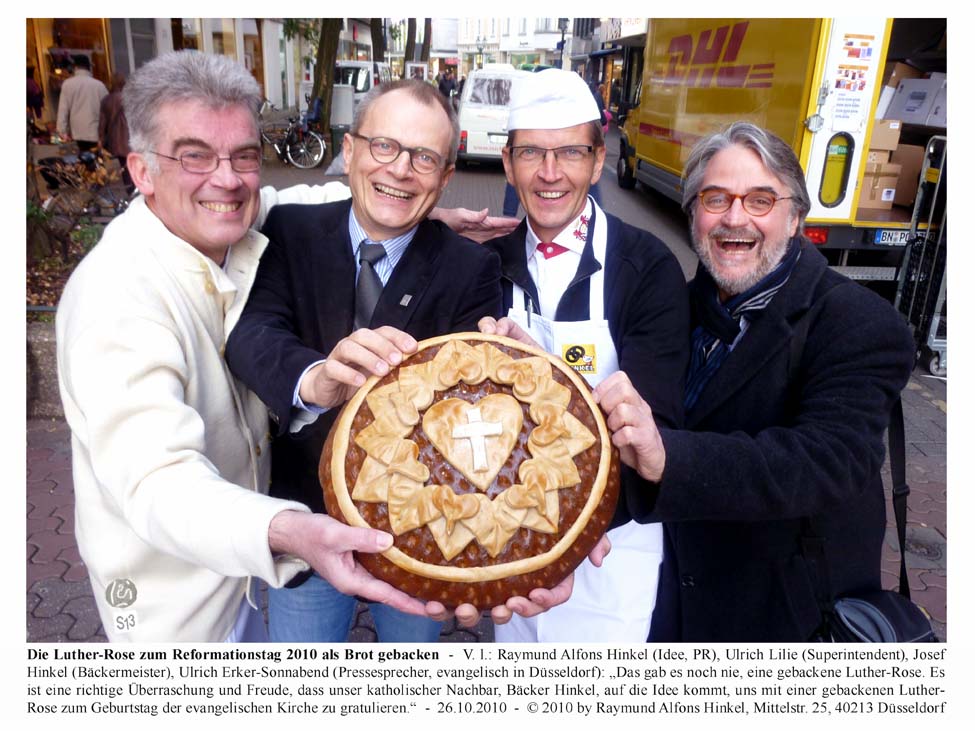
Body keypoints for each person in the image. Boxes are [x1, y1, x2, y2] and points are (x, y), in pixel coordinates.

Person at [55, 51, 463, 643]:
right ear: (141, 170)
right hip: (175, 605)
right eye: (194, 155)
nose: (227, 179)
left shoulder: (230, 225)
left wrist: (419, 210)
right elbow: (158, 482)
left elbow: (314, 204)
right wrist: (290, 529)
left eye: (244, 155)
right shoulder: (116, 299)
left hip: (247, 569)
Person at [225, 79, 581, 642]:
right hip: (307, 517)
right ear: (350, 152)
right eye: (384, 146)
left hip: (417, 539)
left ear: (445, 176)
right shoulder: (289, 232)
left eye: (424, 158)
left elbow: (479, 408)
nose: (399, 170)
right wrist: (317, 377)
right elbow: (253, 334)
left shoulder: (470, 269)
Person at [593, 121, 915, 641]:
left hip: (784, 617)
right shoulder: (679, 304)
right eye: (715, 199)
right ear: (694, 212)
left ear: (794, 218)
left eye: (760, 200)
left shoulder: (859, 323)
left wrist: (669, 459)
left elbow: (827, 461)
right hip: (671, 601)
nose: (735, 218)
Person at [479, 68, 690, 642]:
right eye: (531, 154)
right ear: (507, 164)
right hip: (513, 539)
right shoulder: (484, 266)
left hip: (610, 546)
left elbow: (655, 430)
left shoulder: (647, 269)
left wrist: (568, 536)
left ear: (599, 162)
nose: (550, 173)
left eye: (570, 152)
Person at [56, 54, 108, 151]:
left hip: (76, 134)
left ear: (75, 67)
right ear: (88, 68)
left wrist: (62, 131)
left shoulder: (67, 84)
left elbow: (63, 110)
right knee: (98, 163)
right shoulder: (99, 85)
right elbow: (107, 110)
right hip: (95, 133)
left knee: (81, 163)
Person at [98, 73, 134, 195]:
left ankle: (129, 191)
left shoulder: (106, 100)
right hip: (130, 138)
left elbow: (102, 124)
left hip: (115, 140)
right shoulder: (129, 98)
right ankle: (134, 191)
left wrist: (101, 140)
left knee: (124, 167)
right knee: (132, 165)